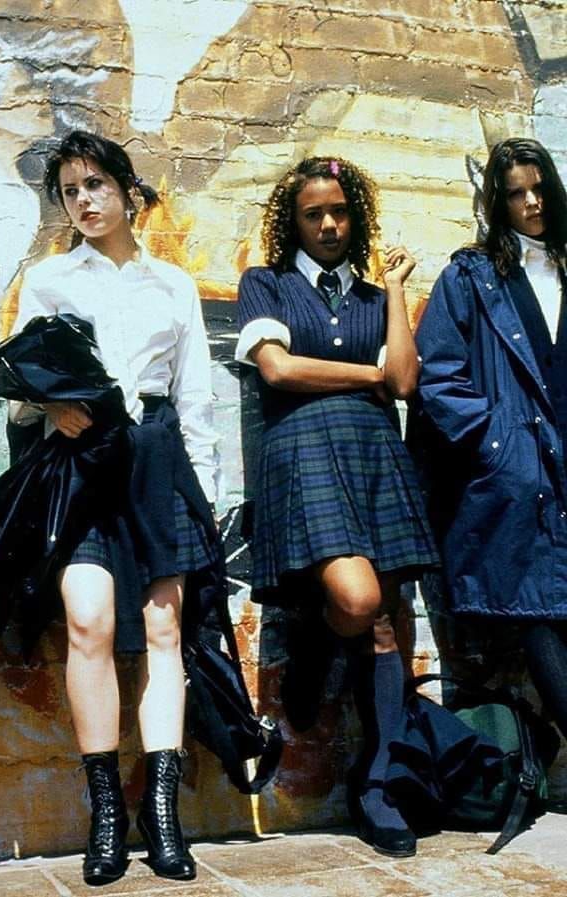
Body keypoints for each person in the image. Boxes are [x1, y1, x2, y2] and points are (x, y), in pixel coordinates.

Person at [9, 130, 219, 885]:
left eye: (96, 183)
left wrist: (209, 496)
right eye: (70, 190)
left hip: (157, 461)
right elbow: (20, 385)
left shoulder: (174, 284)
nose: (85, 200)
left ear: (129, 190)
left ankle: (161, 817)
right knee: (90, 622)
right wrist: (48, 404)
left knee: (163, 629)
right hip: (80, 464)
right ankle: (106, 816)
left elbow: (196, 396)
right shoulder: (50, 280)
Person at [236, 156, 438, 857]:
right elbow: (278, 370)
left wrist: (394, 291)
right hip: (304, 453)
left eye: (339, 212)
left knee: (387, 618)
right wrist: (367, 375)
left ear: (355, 217)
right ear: (292, 221)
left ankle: (377, 786)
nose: (327, 223)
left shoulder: (369, 296)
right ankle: (319, 638)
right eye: (313, 213)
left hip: (374, 453)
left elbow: (406, 381)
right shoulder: (268, 283)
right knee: (356, 599)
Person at [414, 137, 567, 739]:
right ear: (497, 205)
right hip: (519, 471)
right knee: (537, 614)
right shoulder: (473, 277)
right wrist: (496, 443)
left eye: (538, 188)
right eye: (515, 194)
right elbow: (439, 374)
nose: (531, 203)